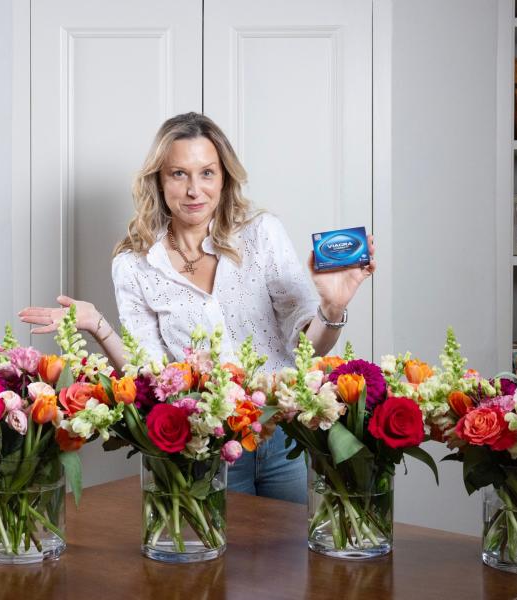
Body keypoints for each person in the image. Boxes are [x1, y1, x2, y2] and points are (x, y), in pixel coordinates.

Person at [19, 112, 375, 504]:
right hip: (206, 444)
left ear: (224, 177)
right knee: (215, 562)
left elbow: (310, 347)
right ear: (158, 179)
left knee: (289, 558)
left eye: (206, 173)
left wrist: (332, 306)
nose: (194, 190)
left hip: (284, 438)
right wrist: (97, 325)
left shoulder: (262, 234)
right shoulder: (135, 264)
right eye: (178, 174)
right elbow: (150, 375)